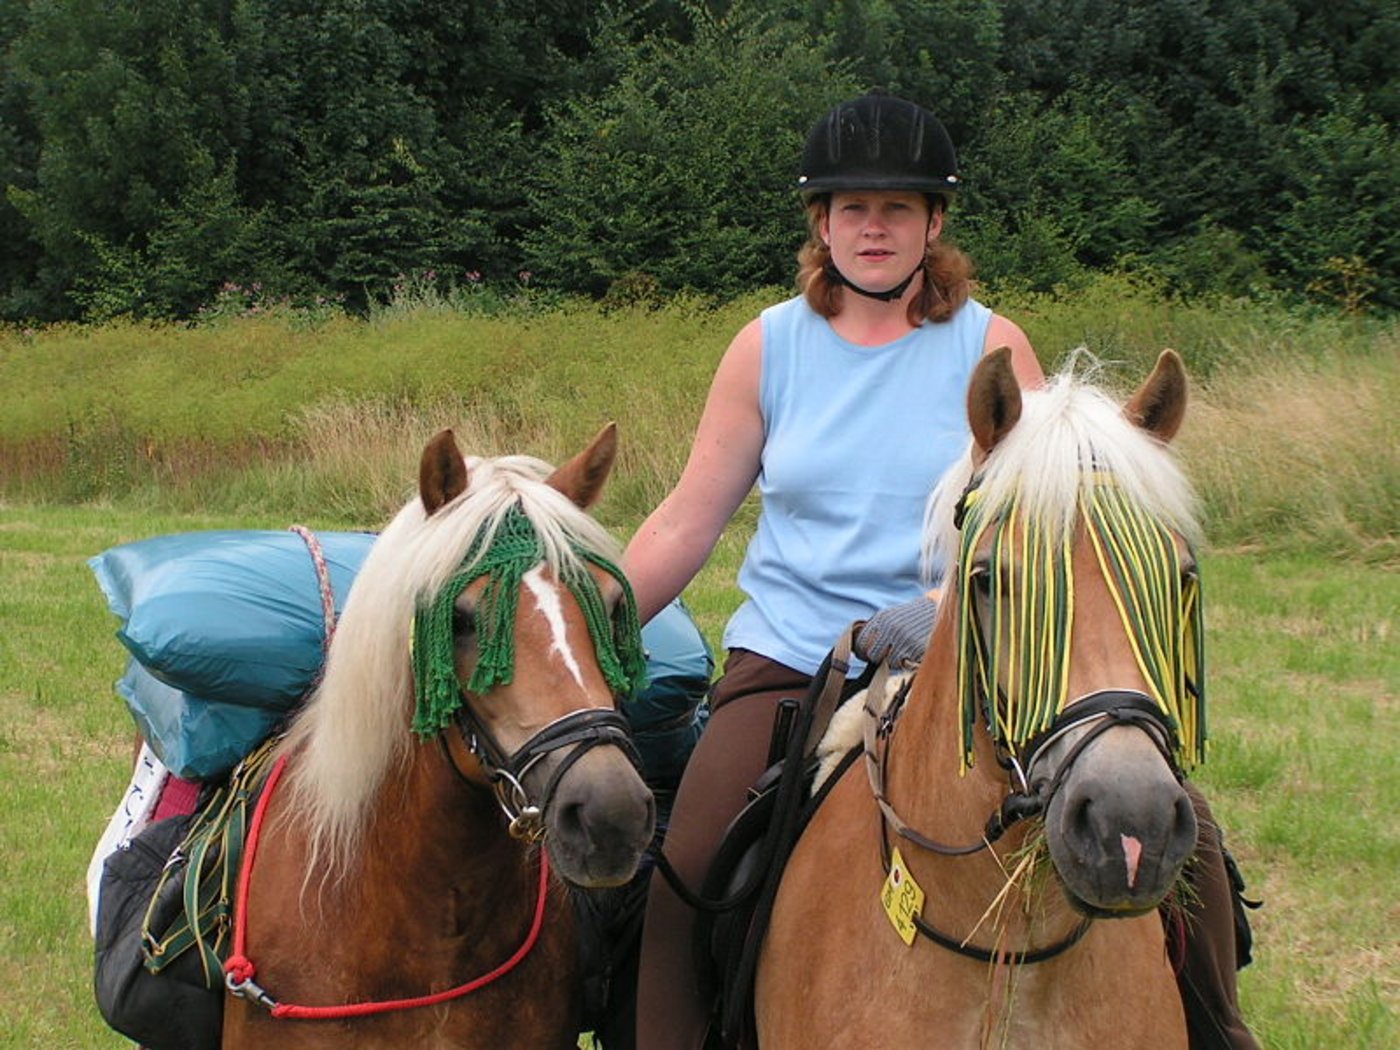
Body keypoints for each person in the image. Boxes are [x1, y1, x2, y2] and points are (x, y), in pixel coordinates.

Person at [621, 93, 1256, 1050]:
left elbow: (1049, 526)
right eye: (851, 208)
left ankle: (1217, 1026)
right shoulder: (767, 347)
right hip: (795, 658)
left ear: (935, 224)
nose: (873, 227)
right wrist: (592, 619)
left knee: (1188, 842)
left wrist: (940, 606)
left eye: (898, 209)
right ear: (820, 223)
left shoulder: (994, 347)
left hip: (973, 652)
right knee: (692, 865)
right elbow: (683, 521)